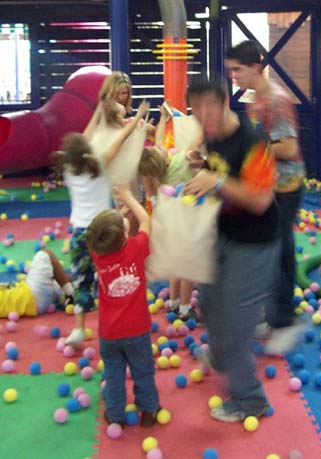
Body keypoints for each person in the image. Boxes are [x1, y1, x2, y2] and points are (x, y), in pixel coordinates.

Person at [184, 77, 280, 422]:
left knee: (234, 323)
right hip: (223, 234)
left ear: (226, 102)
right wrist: (203, 169)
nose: (204, 116)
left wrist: (218, 182)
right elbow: (219, 174)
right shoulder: (211, 135)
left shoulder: (253, 140)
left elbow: (259, 201)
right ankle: (222, 357)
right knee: (208, 300)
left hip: (255, 242)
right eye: (196, 110)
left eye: (210, 106)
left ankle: (250, 399)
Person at [225, 40, 307, 355]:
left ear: (256, 67)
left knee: (277, 253)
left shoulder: (275, 100)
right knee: (271, 251)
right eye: (231, 70)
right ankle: (277, 315)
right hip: (268, 189)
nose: (234, 76)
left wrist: (251, 151)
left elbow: (287, 148)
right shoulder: (255, 101)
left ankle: (285, 322)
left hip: (286, 189)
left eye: (238, 70)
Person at [56, 118, 144, 346]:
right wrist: (136, 120)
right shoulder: (100, 165)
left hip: (80, 234)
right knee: (110, 277)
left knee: (81, 280)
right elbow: (119, 139)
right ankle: (115, 321)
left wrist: (97, 113)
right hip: (103, 231)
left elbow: (80, 143)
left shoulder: (68, 171)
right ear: (87, 150)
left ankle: (79, 328)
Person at [85, 184, 160, 427]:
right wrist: (129, 196)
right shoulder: (136, 248)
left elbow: (106, 231)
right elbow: (146, 220)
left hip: (109, 333)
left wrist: (121, 211)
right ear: (125, 236)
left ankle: (115, 414)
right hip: (137, 330)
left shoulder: (97, 254)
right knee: (143, 371)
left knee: (114, 375)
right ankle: (149, 411)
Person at [139, 103, 197, 321]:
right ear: (163, 157)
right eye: (159, 148)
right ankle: (184, 307)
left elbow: (161, 141)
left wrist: (164, 118)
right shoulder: (180, 162)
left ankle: (172, 302)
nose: (161, 145)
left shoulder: (158, 176)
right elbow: (196, 143)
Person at [0, 248, 73, 318]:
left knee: (62, 278)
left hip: (35, 300)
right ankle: (70, 294)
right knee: (44, 254)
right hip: (33, 292)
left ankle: (71, 291)